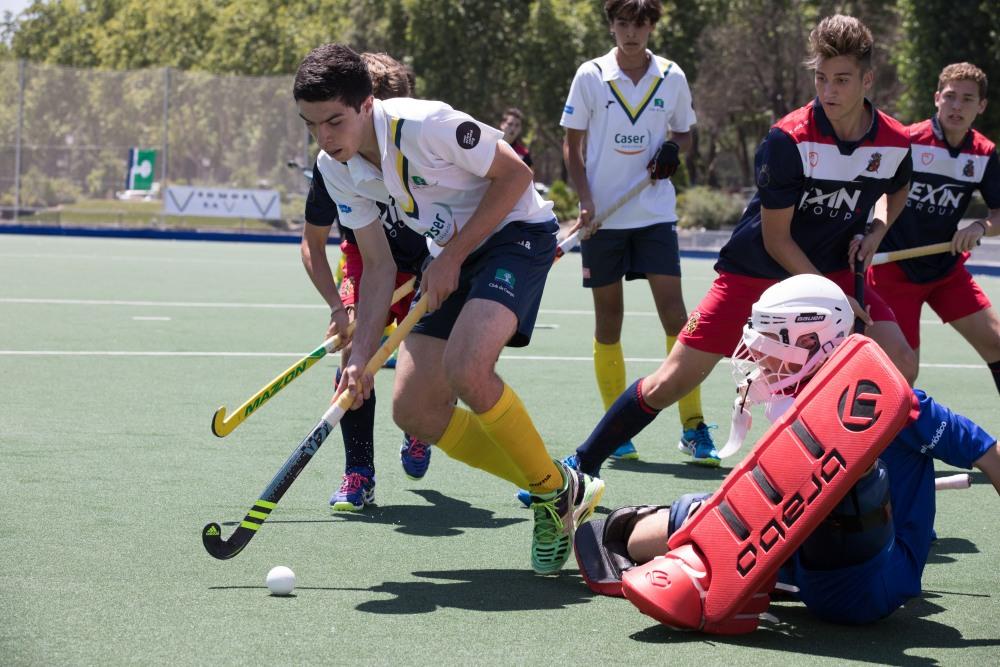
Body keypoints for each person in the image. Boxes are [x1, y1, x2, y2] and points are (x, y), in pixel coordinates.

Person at [564, 14, 918, 480]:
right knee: (673, 379)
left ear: (867, 80)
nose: (828, 90)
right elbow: (776, 238)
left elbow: (897, 189)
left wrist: (876, 231)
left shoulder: (893, 141)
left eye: (842, 80)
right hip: (758, 270)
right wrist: (833, 302)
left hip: (829, 273)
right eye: (820, 78)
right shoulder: (788, 138)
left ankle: (858, 476)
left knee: (899, 361)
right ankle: (579, 465)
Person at [293, 43, 604, 573]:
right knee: (411, 410)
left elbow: (516, 177)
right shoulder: (336, 166)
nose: (324, 137)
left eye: (334, 121)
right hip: (448, 253)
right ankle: (559, 485)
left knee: (467, 368)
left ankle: (552, 502)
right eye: (311, 124)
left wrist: (454, 255)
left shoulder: (425, 125)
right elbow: (376, 267)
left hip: (515, 235)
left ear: (367, 104)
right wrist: (360, 355)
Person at [576, 274, 1000, 630]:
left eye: (773, 335)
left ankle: (727, 562)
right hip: (811, 561)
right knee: (726, 506)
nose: (757, 349)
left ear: (819, 341)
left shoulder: (896, 402)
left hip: (879, 572)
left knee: (840, 481)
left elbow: (989, 454)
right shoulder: (789, 396)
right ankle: (677, 538)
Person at [560, 0, 713, 464]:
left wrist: (673, 147)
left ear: (651, 27)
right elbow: (572, 145)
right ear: (611, 25)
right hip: (604, 219)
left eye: (639, 24)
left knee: (677, 317)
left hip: (653, 217)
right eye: (622, 23)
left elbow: (685, 132)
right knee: (609, 322)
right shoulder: (590, 75)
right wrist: (585, 201)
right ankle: (617, 429)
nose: (631, 33)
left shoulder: (672, 76)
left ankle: (693, 426)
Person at [301, 52, 432, 512]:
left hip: (425, 263)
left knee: (428, 369)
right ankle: (359, 472)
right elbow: (312, 244)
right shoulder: (332, 165)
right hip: (366, 260)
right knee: (355, 359)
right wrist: (340, 309)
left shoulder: (420, 147)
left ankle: (419, 424)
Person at [869, 62, 1000, 394]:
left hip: (945, 271)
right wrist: (876, 232)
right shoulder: (909, 140)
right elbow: (883, 194)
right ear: (937, 98)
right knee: (903, 370)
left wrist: (981, 226)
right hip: (893, 270)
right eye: (950, 97)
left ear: (981, 106)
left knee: (997, 343)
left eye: (968, 99)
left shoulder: (983, 153)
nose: (957, 107)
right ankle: (883, 442)